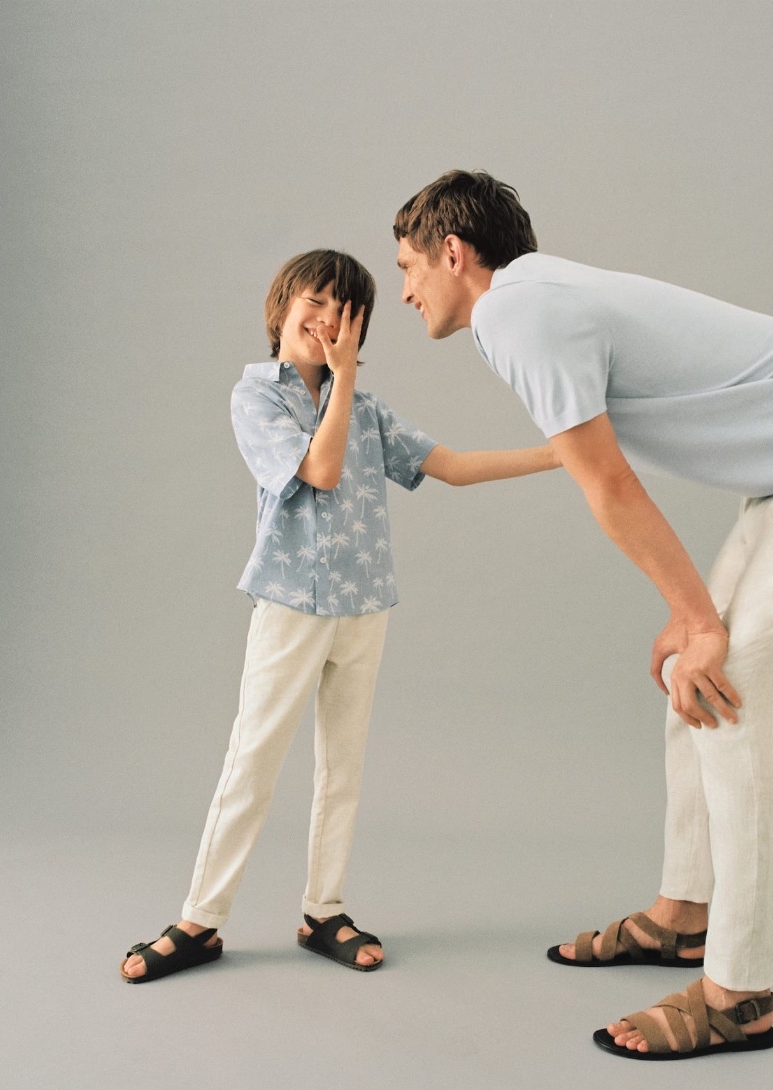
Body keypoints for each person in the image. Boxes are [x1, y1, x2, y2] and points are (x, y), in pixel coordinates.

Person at [393, 169, 773, 1060]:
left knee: (730, 689)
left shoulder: (517, 311)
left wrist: (698, 615)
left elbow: (606, 483)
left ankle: (746, 987)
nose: (406, 289)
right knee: (695, 680)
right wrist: (689, 611)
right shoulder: (534, 300)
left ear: (455, 252)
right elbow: (597, 471)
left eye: (410, 265)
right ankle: (686, 913)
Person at [120, 248, 558, 983]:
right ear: (283, 304)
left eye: (345, 310)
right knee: (252, 761)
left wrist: (561, 456)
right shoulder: (256, 396)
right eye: (316, 301)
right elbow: (318, 472)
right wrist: (345, 379)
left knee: (342, 768)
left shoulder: (367, 409)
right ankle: (200, 918)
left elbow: (446, 464)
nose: (327, 319)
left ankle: (324, 910)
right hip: (291, 603)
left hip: (364, 604)